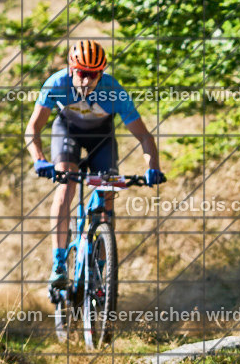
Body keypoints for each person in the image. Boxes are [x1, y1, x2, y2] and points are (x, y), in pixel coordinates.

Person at [25, 39, 165, 293]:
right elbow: (32, 129)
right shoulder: (57, 84)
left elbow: (144, 136)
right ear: (71, 70)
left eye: (94, 74)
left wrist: (152, 167)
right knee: (66, 185)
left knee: (106, 196)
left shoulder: (115, 90)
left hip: (102, 139)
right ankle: (59, 264)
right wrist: (40, 160)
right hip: (67, 133)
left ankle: (101, 267)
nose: (87, 81)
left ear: (102, 72)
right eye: (82, 74)